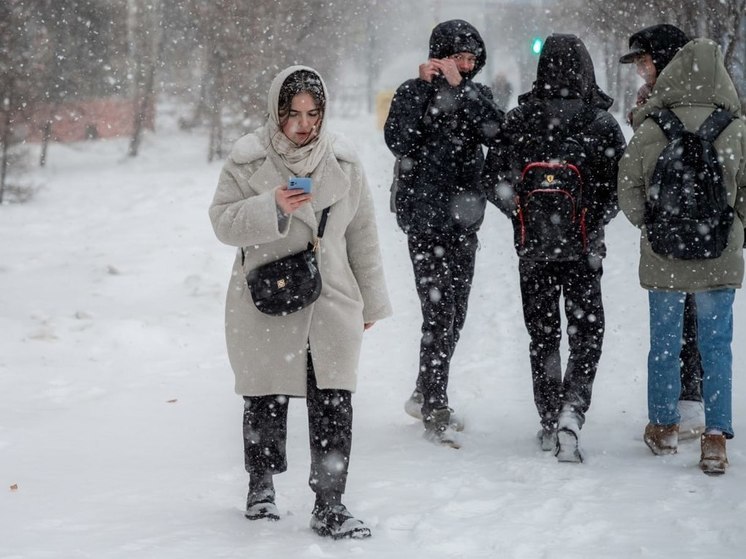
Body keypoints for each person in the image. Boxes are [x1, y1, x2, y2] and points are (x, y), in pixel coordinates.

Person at [209, 65, 392, 537]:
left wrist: (371, 303)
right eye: (292, 113)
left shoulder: (344, 163)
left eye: (312, 113)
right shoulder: (247, 160)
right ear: (276, 112)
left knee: (334, 397)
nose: (303, 124)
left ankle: (330, 503)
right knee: (264, 392)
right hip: (264, 294)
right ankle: (261, 485)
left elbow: (363, 236)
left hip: (330, 296)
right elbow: (223, 223)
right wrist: (270, 206)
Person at [481, 34, 626, 462]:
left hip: (533, 251)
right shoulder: (601, 123)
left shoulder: (520, 119)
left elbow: (492, 179)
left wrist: (521, 213)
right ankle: (571, 411)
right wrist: (591, 219)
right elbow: (619, 185)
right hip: (583, 251)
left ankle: (547, 420)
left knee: (542, 337)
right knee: (587, 335)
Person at [617, 38, 746, 474]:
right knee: (717, 347)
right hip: (719, 253)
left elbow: (628, 188)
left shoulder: (652, 126)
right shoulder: (736, 129)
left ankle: (665, 426)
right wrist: (734, 231)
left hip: (664, 254)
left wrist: (651, 226)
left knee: (665, 344)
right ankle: (715, 437)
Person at [383, 19, 503, 448]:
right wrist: (423, 93)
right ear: (439, 55)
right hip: (423, 221)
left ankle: (423, 389)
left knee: (457, 311)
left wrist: (463, 90)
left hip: (464, 221)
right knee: (438, 312)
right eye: (459, 58)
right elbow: (399, 141)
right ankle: (436, 405)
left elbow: (497, 131)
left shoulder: (478, 95)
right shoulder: (411, 92)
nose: (467, 66)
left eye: (472, 60)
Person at [619, 24, 706, 440]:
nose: (641, 71)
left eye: (644, 62)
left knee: (688, 318)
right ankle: (684, 401)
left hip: (690, 223)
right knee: (685, 317)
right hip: (683, 223)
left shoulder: (684, 102)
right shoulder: (670, 99)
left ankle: (685, 401)